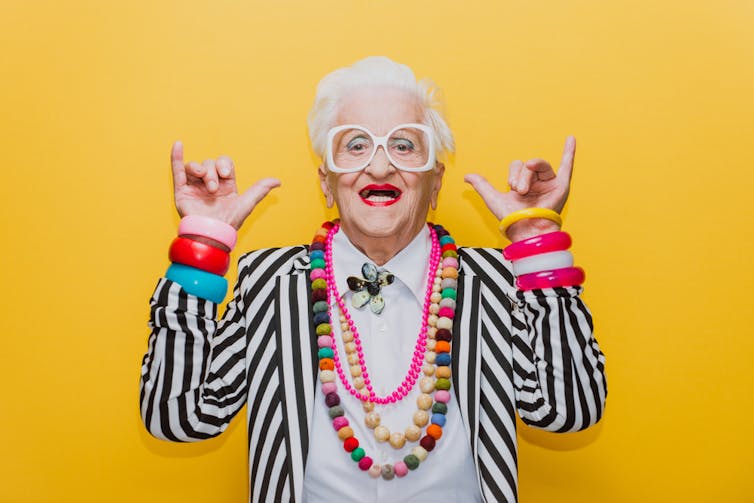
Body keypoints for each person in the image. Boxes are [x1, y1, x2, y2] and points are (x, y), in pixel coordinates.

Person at [140, 56, 607, 503]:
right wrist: (202, 248)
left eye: (404, 145)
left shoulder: (496, 281)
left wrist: (538, 247)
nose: (380, 166)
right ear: (326, 181)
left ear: (436, 182)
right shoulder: (269, 282)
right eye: (356, 144)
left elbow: (570, 411)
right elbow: (177, 418)